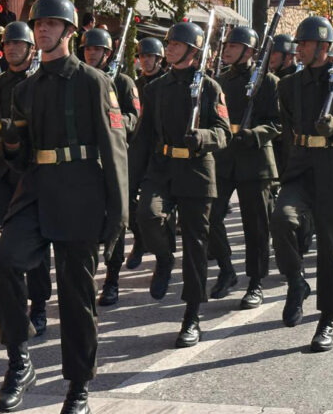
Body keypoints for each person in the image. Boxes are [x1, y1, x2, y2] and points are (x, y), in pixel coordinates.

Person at [0, 0, 127, 414]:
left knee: (76, 296)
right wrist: (11, 142)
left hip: (81, 192)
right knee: (4, 262)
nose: (43, 29)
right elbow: (20, 158)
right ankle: (19, 361)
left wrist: (118, 214)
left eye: (51, 23)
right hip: (37, 188)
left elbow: (115, 149)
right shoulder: (26, 89)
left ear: (69, 31)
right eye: (38, 24)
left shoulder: (93, 82)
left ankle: (79, 387)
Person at [130, 20, 231, 348]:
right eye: (169, 43)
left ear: (193, 51)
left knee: (195, 246)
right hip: (162, 168)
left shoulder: (210, 88)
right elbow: (143, 138)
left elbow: (223, 133)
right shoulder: (155, 89)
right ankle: (163, 258)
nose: (169, 48)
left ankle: (192, 315)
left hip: (196, 171)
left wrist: (202, 137)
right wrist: (128, 183)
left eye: (175, 44)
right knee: (147, 215)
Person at [272, 16, 333, 351]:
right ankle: (295, 281)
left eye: (305, 43)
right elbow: (287, 132)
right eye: (298, 43)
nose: (298, 49)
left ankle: (327, 318)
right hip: (300, 170)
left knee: (331, 249)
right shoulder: (288, 85)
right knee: (281, 219)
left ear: (324, 47)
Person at [0, 22, 52, 334]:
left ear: (31, 49)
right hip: (2, 169)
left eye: (18, 44)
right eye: (7, 44)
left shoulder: (40, 83)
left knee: (37, 238)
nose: (11, 49)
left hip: (31, 172)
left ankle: (39, 305)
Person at [207, 26, 280, 309]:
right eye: (226, 45)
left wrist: (255, 134)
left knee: (256, 226)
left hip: (255, 160)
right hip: (225, 159)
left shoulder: (269, 82)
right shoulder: (220, 81)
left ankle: (256, 283)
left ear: (249, 51)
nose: (227, 50)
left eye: (233, 46)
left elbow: (277, 122)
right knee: (210, 215)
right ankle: (227, 269)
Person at [80, 27, 141, 307]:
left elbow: (134, 117)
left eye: (97, 50)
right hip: (88, 161)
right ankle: (86, 279)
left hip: (115, 158)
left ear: (107, 53)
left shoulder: (123, 81)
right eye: (88, 49)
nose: (91, 54)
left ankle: (112, 281)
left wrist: (112, 121)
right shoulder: (81, 79)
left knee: (116, 221)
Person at [126, 36, 166, 270]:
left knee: (155, 209)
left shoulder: (166, 83)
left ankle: (162, 252)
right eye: (142, 56)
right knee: (127, 198)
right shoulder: (134, 85)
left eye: (150, 56)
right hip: (137, 149)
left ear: (159, 59)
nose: (145, 60)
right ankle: (139, 240)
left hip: (160, 152)